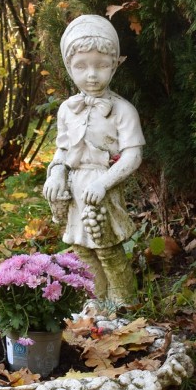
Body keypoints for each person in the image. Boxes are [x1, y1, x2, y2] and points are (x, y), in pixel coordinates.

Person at [42, 15, 144, 305]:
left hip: (103, 187)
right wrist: (56, 174)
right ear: (68, 67)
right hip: (75, 188)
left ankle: (124, 304)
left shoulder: (123, 110)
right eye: (81, 66)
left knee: (108, 248)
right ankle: (97, 299)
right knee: (81, 249)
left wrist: (104, 183)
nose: (92, 74)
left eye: (101, 65)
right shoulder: (67, 109)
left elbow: (133, 155)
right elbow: (62, 150)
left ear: (114, 64)